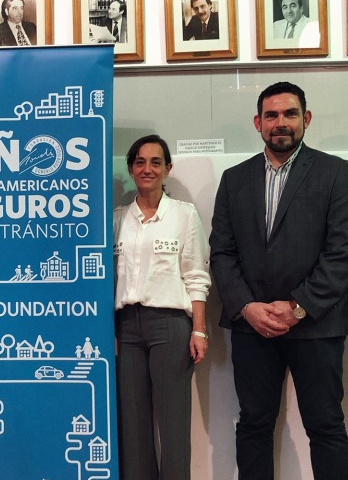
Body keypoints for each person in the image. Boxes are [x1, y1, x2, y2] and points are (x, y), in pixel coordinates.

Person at [209, 81, 348, 480]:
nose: (280, 123)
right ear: (258, 123)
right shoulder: (234, 179)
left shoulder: (337, 174)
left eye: (290, 114)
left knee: (325, 426)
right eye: (271, 115)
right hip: (252, 326)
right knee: (253, 424)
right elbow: (222, 252)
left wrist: (298, 307)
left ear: (306, 119)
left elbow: (341, 252)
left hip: (317, 325)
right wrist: (247, 307)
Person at [113, 135, 210, 480]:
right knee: (133, 423)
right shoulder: (117, 219)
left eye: (155, 162)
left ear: (167, 169)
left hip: (170, 326)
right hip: (126, 327)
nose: (147, 169)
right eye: (140, 162)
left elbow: (196, 275)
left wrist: (199, 330)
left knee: (173, 422)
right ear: (130, 169)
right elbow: (108, 280)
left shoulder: (184, 215)